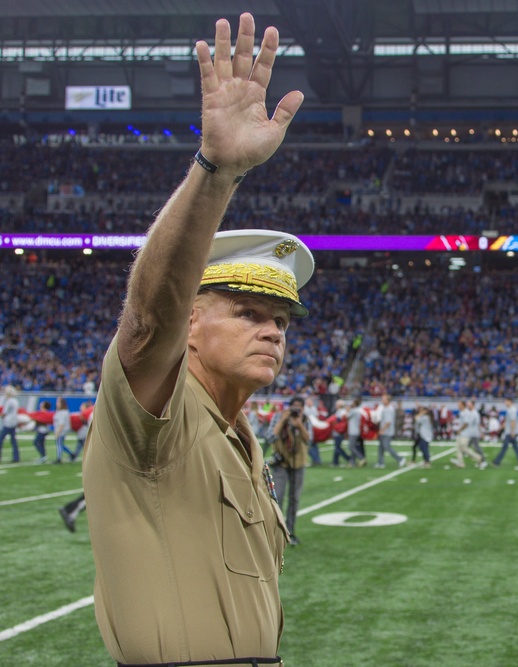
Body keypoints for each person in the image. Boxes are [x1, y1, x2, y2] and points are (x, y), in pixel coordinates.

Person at [81, 13, 308, 666]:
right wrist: (217, 171)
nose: (272, 329)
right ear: (191, 325)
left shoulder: (239, 433)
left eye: (281, 320)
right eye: (246, 312)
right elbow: (148, 318)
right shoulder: (160, 413)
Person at [270, 396, 311, 546]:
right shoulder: (277, 417)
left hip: (298, 463)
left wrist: (299, 425)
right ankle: (276, 532)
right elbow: (270, 437)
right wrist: (283, 420)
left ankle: (291, 532)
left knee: (294, 499)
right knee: (278, 497)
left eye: (298, 408)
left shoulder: (305, 420)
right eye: (293, 407)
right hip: (281, 463)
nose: (295, 410)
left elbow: (309, 439)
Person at [493, 398, 518, 468]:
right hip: (509, 431)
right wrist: (501, 428)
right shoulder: (510, 410)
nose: (505, 403)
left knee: (505, 447)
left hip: (510, 432)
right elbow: (507, 421)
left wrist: (512, 431)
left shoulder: (512, 410)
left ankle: (497, 461)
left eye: (506, 402)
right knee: (515, 448)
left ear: (510, 402)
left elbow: (513, 421)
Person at [376, 393, 407, 468]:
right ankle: (380, 463)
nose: (382, 400)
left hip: (387, 431)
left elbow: (388, 422)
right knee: (381, 447)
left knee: (387, 447)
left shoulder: (389, 409)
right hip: (385, 430)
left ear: (387, 400)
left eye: (383, 399)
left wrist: (382, 430)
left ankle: (400, 459)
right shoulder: (385, 408)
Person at [1, 385, 21, 463]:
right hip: (13, 422)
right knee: (13, 441)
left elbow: (4, 413)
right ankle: (16, 457)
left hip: (8, 422)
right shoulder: (15, 400)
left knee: (1, 439)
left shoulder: (9, 401)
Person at [347, 397, 367, 466]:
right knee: (353, 447)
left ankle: (361, 458)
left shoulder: (354, 410)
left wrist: (348, 409)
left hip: (353, 431)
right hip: (356, 430)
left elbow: (347, 416)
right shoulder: (358, 410)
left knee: (350, 447)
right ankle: (352, 462)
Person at [53, 397, 73, 463]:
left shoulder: (62, 412)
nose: (57, 404)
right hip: (62, 430)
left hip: (62, 430)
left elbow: (61, 424)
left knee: (59, 444)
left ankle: (59, 458)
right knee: (61, 444)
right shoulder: (63, 412)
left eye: (58, 402)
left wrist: (58, 432)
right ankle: (71, 454)